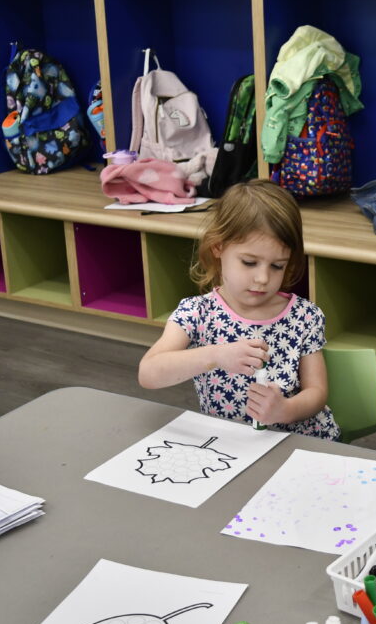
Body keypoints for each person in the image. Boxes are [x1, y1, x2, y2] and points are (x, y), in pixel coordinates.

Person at [138, 179, 339, 440]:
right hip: (231, 446)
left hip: (299, 443)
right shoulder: (197, 313)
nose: (263, 278)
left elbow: (317, 392)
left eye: (277, 266)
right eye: (249, 262)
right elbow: (149, 373)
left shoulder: (304, 316)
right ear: (219, 247)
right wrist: (215, 355)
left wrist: (284, 409)